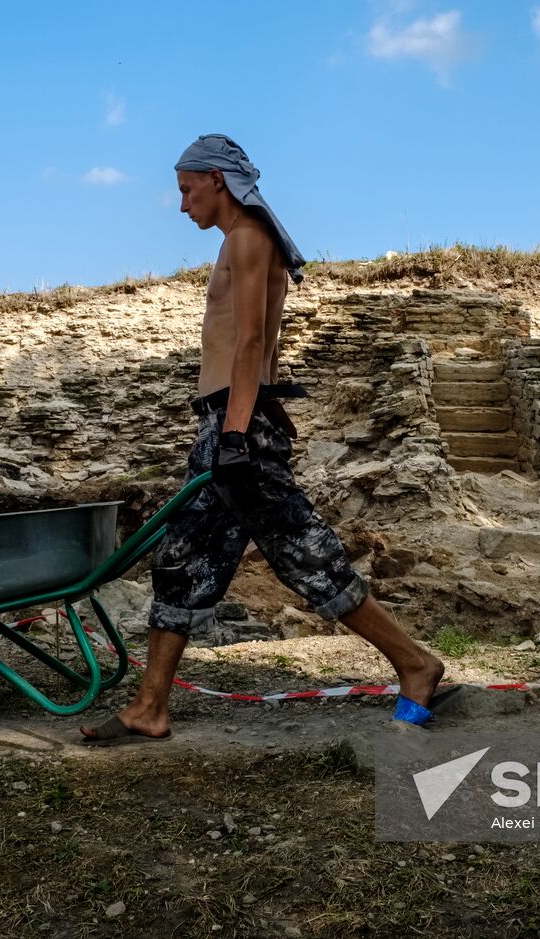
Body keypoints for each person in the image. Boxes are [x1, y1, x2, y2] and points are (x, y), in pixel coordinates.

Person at [80, 134, 453, 744]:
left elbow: (252, 340)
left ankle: (416, 666)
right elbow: (265, 349)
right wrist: (266, 409)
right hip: (232, 420)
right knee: (179, 563)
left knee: (304, 554)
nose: (182, 206)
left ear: (216, 181)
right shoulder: (241, 240)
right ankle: (150, 707)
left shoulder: (249, 237)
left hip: (233, 429)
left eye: (185, 189)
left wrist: (235, 431)